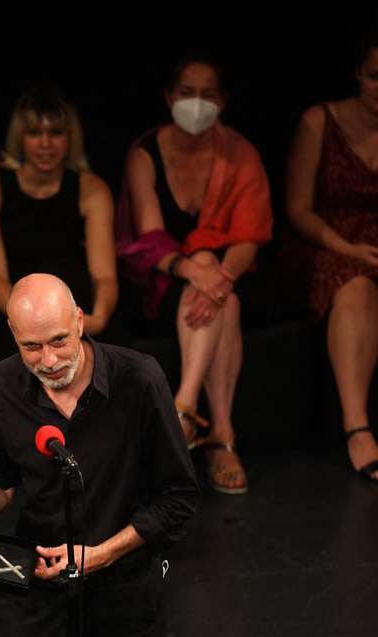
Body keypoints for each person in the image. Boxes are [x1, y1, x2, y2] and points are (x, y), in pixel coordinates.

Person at [0, 273, 199, 637]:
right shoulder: (0, 386)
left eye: (58, 340)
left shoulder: (139, 379)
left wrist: (101, 554)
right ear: (13, 334)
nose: (49, 360)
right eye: (31, 347)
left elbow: (179, 498)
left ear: (79, 320)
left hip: (125, 587)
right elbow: (0, 492)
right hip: (42, 589)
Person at [117, 55, 272, 494]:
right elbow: (150, 239)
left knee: (226, 293)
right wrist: (195, 272)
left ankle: (182, 413)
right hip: (161, 273)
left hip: (231, 272)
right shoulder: (145, 154)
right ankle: (220, 437)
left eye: (208, 94)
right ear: (169, 97)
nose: (197, 103)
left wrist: (217, 279)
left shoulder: (241, 154)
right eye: (187, 93)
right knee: (220, 299)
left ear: (222, 101)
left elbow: (250, 235)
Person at [0, 85, 121, 380]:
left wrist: (98, 319)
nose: (46, 144)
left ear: (70, 137)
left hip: (74, 301)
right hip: (11, 303)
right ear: (20, 137)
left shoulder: (91, 188)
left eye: (56, 133)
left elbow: (104, 276)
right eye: (35, 133)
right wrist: (29, 320)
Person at [284, 26, 378, 481]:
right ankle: (357, 427)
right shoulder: (320, 120)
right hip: (324, 242)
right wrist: (351, 250)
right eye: (375, 76)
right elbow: (297, 209)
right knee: (356, 286)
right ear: (358, 73)